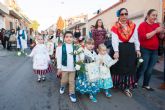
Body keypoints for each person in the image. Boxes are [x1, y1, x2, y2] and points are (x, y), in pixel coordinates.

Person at [111, 8, 141, 97]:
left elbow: (136, 38)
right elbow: (114, 40)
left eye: (126, 14)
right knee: (120, 67)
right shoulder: (115, 26)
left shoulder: (132, 25)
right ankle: (119, 84)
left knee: (130, 66)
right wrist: (116, 51)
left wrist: (138, 49)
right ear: (119, 16)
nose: (124, 16)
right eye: (122, 14)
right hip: (121, 48)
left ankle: (127, 86)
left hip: (131, 48)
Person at [136, 9, 165, 91]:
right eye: (153, 15)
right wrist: (156, 30)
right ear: (148, 16)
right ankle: (134, 82)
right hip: (145, 50)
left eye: (156, 15)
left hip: (154, 51)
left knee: (150, 69)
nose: (155, 17)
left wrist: (162, 31)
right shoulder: (142, 25)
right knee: (143, 67)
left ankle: (145, 84)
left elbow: (161, 37)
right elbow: (145, 37)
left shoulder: (157, 25)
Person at [76, 38, 100, 103]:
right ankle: (89, 93)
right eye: (89, 44)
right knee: (87, 82)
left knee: (92, 82)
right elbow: (82, 59)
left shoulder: (94, 52)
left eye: (92, 44)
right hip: (86, 70)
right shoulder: (83, 51)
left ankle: (91, 94)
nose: (91, 45)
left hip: (93, 70)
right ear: (86, 44)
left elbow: (96, 59)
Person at [56, 31, 77, 103]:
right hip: (64, 68)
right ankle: (62, 86)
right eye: (67, 37)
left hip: (73, 68)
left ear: (73, 38)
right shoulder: (60, 47)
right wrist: (59, 68)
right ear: (64, 38)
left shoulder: (75, 47)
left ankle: (72, 93)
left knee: (72, 81)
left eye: (71, 37)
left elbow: (78, 57)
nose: (69, 38)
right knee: (64, 80)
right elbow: (58, 58)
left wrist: (79, 64)